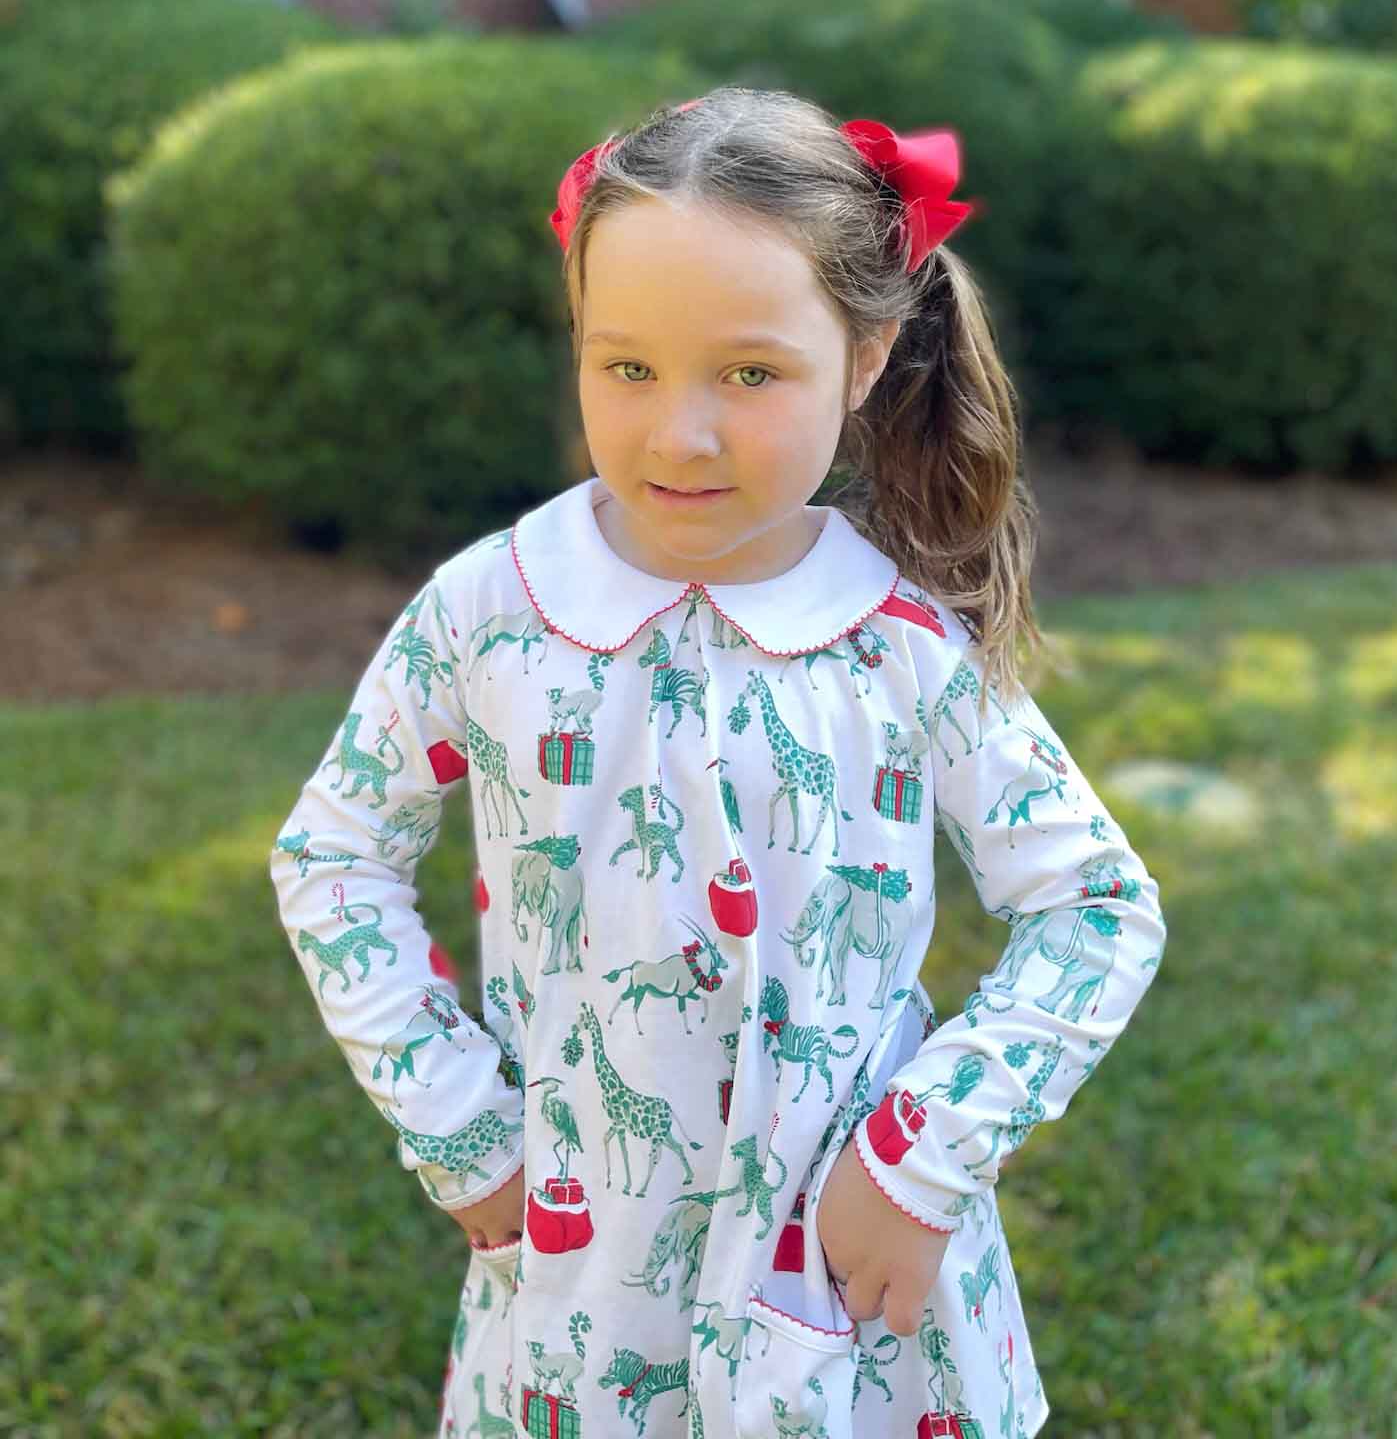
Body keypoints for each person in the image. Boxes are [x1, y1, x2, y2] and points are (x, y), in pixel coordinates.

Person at [269, 84, 1168, 1439]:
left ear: (865, 360)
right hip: (580, 1293)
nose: (678, 434)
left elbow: (1098, 910)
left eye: (749, 374)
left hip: (843, 1296)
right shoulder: (487, 614)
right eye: (625, 367)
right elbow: (334, 855)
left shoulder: (902, 649)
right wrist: (456, 1122)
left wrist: (922, 1160)